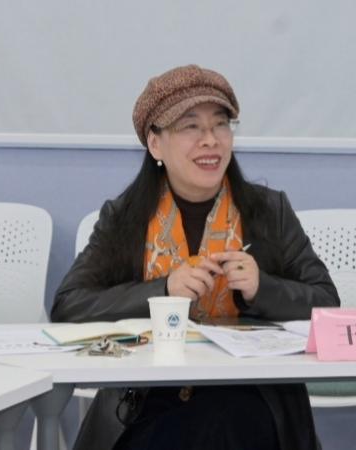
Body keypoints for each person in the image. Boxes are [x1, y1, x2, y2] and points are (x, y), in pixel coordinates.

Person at [51, 64, 340, 450]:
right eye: (191, 127)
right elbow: (69, 306)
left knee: (219, 420)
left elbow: (327, 303)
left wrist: (262, 288)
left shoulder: (270, 211)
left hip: (250, 392)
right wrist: (163, 291)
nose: (210, 141)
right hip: (147, 394)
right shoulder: (124, 218)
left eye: (220, 125)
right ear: (155, 144)